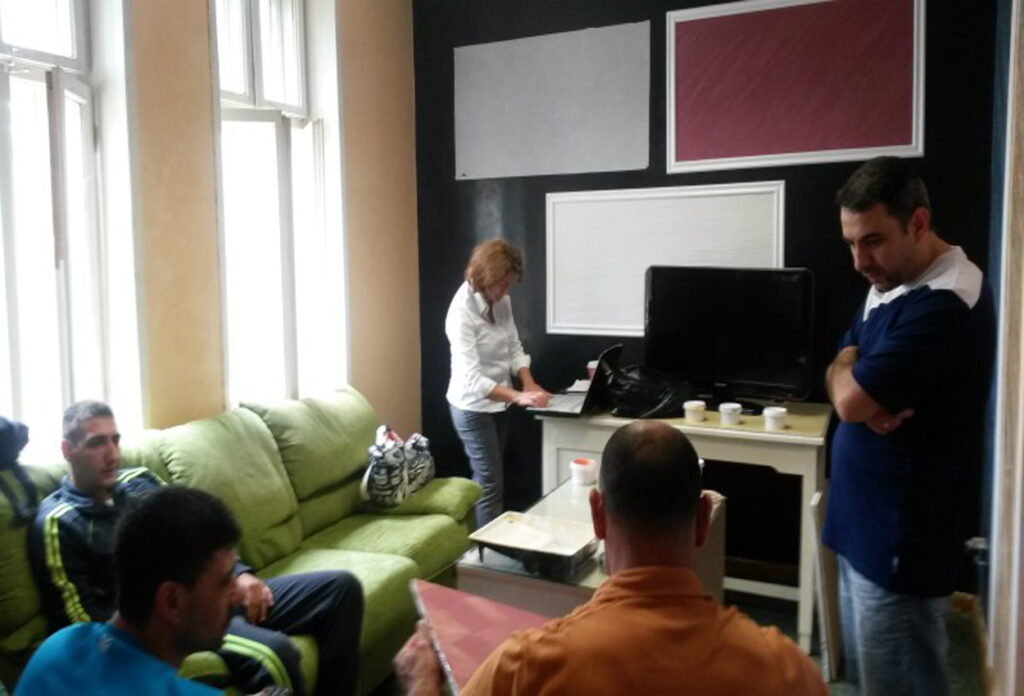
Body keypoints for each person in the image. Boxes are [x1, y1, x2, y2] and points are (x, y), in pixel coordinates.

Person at [395, 421, 827, 696]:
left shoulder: (525, 667)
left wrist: (423, 681)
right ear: (702, 521)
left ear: (598, 516)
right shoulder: (787, 670)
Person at [26, 401, 365, 696]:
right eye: (97, 443)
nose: (113, 454)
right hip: (176, 613)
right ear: (67, 450)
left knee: (341, 589)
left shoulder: (139, 480)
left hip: (209, 588)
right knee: (275, 653)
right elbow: (85, 626)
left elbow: (201, 532)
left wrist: (240, 575)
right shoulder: (60, 522)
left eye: (115, 440)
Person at [822, 156, 995, 696]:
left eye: (872, 241)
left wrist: (852, 382)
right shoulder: (892, 277)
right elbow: (843, 358)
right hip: (864, 526)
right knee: (876, 679)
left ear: (919, 223)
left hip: (900, 543)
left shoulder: (947, 301)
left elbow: (847, 398)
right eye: (851, 243)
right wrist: (850, 371)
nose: (859, 261)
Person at [445, 239, 550, 526]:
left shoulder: (502, 301)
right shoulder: (461, 313)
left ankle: (479, 540)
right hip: (472, 407)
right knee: (490, 482)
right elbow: (472, 380)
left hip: (498, 403)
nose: (507, 291)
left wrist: (528, 383)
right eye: (502, 284)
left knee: (488, 480)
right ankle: (486, 550)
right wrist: (517, 396)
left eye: (509, 284)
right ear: (486, 277)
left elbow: (513, 346)